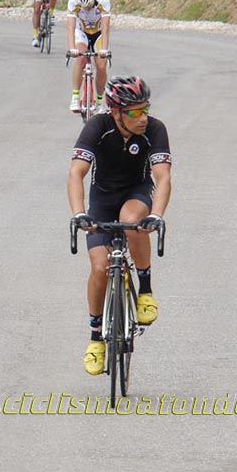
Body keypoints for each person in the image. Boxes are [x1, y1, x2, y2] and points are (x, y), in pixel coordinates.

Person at [67, 76, 171, 376]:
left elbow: (163, 177)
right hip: (102, 197)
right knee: (100, 267)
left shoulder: (155, 129)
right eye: (135, 112)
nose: (143, 118)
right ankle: (96, 339)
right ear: (116, 112)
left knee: (131, 222)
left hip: (137, 192)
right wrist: (79, 213)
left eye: (146, 109)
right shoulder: (97, 128)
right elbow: (76, 173)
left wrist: (158, 215)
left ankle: (146, 290)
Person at [65, 0, 112, 113]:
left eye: (88, 4)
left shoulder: (103, 1)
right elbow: (70, 28)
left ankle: (99, 101)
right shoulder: (73, 1)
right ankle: (75, 97)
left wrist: (104, 50)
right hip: (81, 32)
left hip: (98, 33)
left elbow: (105, 27)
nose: (86, 7)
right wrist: (72, 48)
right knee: (80, 58)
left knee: (101, 65)